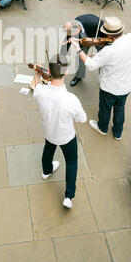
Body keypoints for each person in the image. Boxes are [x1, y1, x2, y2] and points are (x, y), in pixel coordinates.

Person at [33, 54, 87, 209]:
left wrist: (37, 75)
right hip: (66, 136)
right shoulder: (71, 99)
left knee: (49, 148)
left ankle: (46, 171)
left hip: (48, 131)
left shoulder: (40, 91)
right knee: (71, 161)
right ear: (67, 72)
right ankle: (69, 196)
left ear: (49, 70)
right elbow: (82, 119)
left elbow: (36, 87)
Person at [71, 16, 131, 140]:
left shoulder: (109, 51)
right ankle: (118, 133)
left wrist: (78, 49)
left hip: (111, 88)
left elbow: (90, 64)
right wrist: (99, 55)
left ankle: (102, 128)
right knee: (120, 108)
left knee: (105, 109)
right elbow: (119, 56)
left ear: (109, 36)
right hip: (127, 85)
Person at [62, 14, 105, 87]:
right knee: (80, 57)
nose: (72, 36)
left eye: (73, 35)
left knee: (103, 59)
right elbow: (66, 43)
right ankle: (79, 76)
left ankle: (103, 79)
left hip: (100, 37)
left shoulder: (96, 24)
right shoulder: (72, 26)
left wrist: (97, 43)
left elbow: (106, 36)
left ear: (78, 29)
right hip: (84, 38)